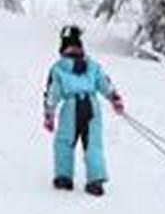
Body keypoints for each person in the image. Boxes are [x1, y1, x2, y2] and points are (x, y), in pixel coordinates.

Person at [43, 25, 124, 196]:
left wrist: (49, 113)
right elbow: (104, 83)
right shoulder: (93, 65)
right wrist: (114, 98)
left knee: (64, 142)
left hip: (71, 107)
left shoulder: (58, 68)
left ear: (63, 48)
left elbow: (53, 91)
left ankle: (64, 177)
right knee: (93, 143)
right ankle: (95, 181)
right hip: (92, 106)